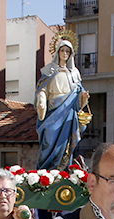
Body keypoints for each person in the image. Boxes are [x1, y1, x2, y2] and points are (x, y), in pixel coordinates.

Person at [36, 37, 89, 171]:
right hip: (52, 114)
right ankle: (44, 172)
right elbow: (42, 90)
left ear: (71, 54)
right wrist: (41, 103)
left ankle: (62, 171)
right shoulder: (49, 71)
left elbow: (79, 93)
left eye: (67, 51)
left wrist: (83, 96)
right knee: (48, 142)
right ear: (57, 52)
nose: (65, 54)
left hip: (68, 115)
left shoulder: (74, 74)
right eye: (62, 50)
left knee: (64, 144)